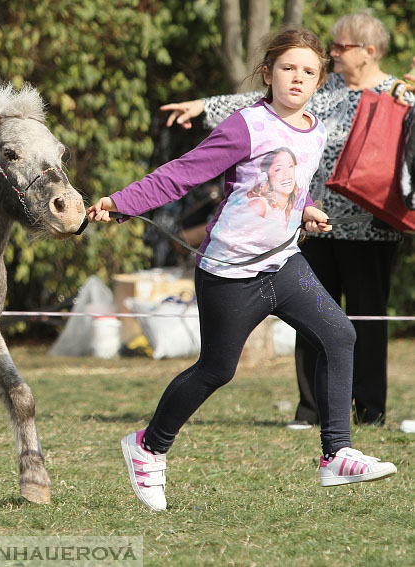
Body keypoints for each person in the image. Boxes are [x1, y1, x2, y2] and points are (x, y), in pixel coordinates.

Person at [87, 26, 397, 512]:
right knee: (216, 369)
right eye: (288, 68)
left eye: (309, 71)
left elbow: (292, 179)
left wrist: (306, 208)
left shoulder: (313, 128)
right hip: (231, 272)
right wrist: (122, 203)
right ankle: (148, 447)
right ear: (268, 72)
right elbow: (182, 172)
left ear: (320, 80)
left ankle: (336, 453)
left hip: (285, 266)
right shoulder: (247, 125)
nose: (298, 79)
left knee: (339, 334)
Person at [160, 11, 414, 429]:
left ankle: (370, 410)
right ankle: (310, 408)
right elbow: (258, 104)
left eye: (340, 47)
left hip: (371, 226)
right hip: (309, 222)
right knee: (312, 321)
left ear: (369, 52)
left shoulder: (399, 95)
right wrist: (205, 106)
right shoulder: (322, 86)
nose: (331, 54)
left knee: (364, 320)